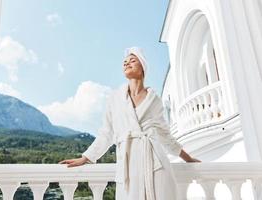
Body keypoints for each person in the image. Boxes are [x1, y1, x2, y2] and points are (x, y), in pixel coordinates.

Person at [59, 47, 200, 200]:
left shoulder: (154, 100)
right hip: (128, 167)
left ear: (143, 67)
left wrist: (188, 158)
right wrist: (86, 157)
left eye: (132, 60)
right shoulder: (115, 99)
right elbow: (106, 134)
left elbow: (165, 135)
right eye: (124, 62)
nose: (127, 64)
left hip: (155, 165)